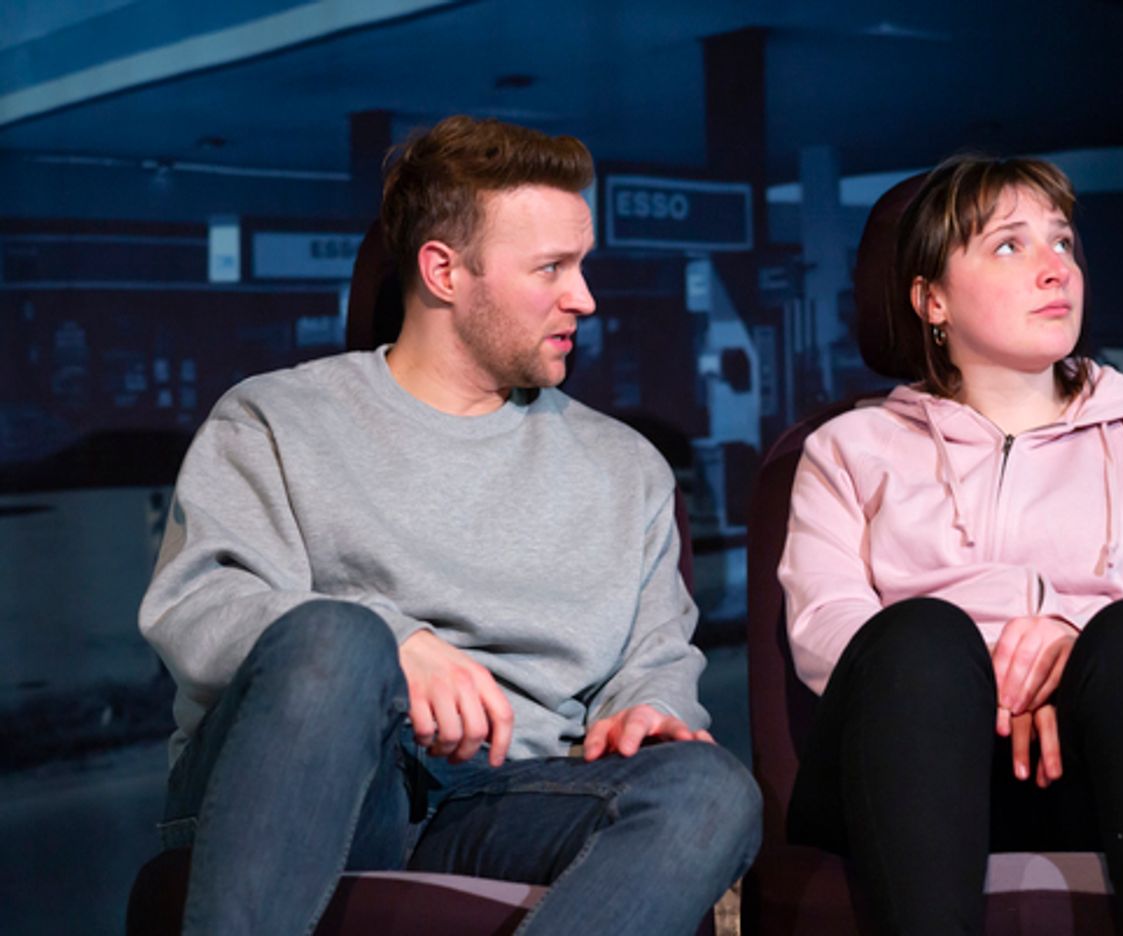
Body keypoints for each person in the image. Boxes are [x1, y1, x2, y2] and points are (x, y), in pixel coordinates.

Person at [139, 115, 760, 936]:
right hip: (311, 785)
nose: (585, 297)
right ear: (444, 270)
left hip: (507, 800)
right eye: (552, 268)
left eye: (582, 265)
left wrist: (648, 705)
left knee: (712, 789)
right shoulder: (275, 418)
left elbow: (655, 657)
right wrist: (388, 641)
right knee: (339, 641)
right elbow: (195, 607)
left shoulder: (624, 466)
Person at [778, 154, 1123, 935]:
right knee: (919, 641)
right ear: (931, 299)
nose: (1054, 268)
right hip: (908, 765)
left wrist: (1066, 638)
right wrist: (989, 659)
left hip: (1095, 761)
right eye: (1009, 246)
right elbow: (825, 633)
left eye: (1063, 243)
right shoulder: (847, 449)